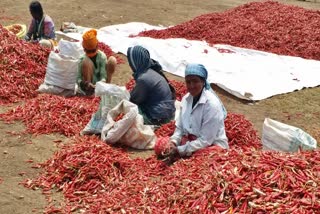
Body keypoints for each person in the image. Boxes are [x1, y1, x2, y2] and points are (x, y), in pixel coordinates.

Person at [161, 63, 229, 161]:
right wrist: (174, 142)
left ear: (203, 82)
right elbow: (180, 128)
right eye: (188, 82)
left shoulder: (211, 105)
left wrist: (180, 149)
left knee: (202, 162)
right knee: (162, 146)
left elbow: (206, 140)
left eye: (195, 81)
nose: (191, 86)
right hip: (192, 142)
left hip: (211, 146)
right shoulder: (185, 100)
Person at [127, 45, 176, 125]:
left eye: (130, 61)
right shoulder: (151, 71)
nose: (130, 64)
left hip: (158, 117)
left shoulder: (143, 78)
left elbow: (135, 100)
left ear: (136, 61)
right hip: (169, 112)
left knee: (128, 107)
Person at [77, 29, 117, 96]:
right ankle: (89, 92)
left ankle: (106, 88)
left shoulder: (102, 56)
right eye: (89, 51)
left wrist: (100, 84)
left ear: (97, 46)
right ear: (84, 49)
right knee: (86, 61)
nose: (91, 53)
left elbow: (103, 76)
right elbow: (78, 78)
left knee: (112, 60)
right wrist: (85, 84)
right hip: (89, 86)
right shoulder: (82, 59)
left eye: (93, 50)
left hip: (102, 86)